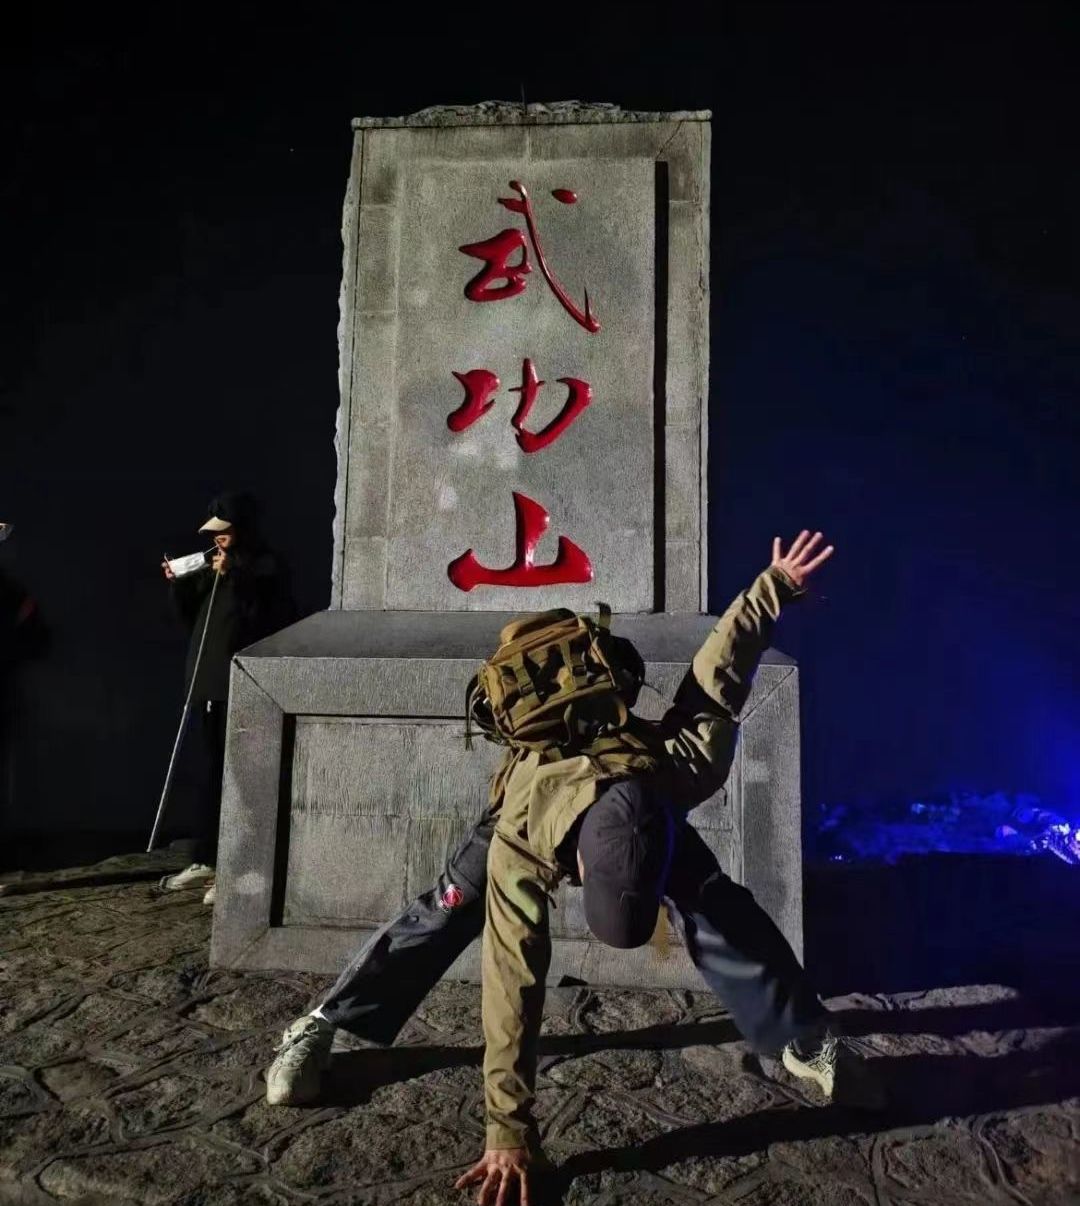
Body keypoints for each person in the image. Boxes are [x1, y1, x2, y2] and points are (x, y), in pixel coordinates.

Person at [265, 531, 881, 1201]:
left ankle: (803, 1036)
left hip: (635, 788)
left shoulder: (678, 774)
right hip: (534, 800)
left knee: (717, 902)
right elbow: (513, 983)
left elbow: (715, 679)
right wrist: (508, 1130)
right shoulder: (520, 846)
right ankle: (324, 1022)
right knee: (444, 909)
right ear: (580, 865)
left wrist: (772, 587)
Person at [159, 492, 294, 904]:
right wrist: (179, 584)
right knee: (213, 774)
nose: (217, 539)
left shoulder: (264, 566)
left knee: (241, 779)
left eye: (225, 532)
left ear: (242, 528)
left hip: (242, 688)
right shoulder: (212, 565)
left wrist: (236, 575)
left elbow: (268, 617)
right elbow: (192, 619)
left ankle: (239, 866)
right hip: (208, 687)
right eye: (214, 533)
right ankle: (207, 857)